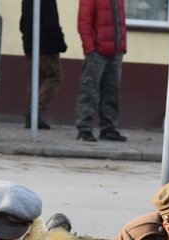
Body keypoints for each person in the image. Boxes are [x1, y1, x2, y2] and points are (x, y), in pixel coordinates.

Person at [74, 0, 128, 143]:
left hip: (115, 51)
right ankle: (84, 129)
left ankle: (109, 129)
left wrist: (122, 46)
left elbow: (120, 22)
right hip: (97, 52)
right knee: (89, 92)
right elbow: (84, 22)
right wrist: (90, 49)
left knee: (112, 93)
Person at [19, 0, 68, 130]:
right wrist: (60, 41)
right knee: (55, 77)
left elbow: (22, 23)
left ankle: (31, 119)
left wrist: (26, 38)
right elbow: (51, 22)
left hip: (29, 44)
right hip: (45, 47)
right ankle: (34, 111)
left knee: (35, 80)